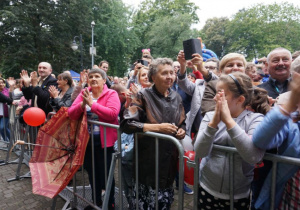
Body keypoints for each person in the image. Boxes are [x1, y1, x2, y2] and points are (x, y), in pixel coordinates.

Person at [194, 72, 268, 209]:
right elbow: (199, 152)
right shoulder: (210, 116)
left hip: (238, 194)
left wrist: (228, 121)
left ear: (240, 100)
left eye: (221, 94)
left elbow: (252, 156)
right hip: (207, 188)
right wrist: (213, 124)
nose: (216, 98)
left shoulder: (256, 119)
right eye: (216, 92)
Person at [122, 58, 186, 209]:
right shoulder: (143, 95)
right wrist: (158, 128)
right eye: (164, 73)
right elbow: (127, 123)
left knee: (164, 202)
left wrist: (182, 129)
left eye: (172, 72)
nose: (169, 76)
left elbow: (182, 121)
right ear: (153, 77)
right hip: (147, 161)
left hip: (169, 159)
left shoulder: (176, 97)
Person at [252, 56, 300, 210]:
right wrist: (288, 107)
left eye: (284, 59)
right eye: (275, 60)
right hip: (290, 197)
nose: (280, 64)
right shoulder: (292, 117)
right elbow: (260, 140)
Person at [68, 68, 120, 209]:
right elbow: (71, 113)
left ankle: (110, 204)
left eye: (97, 76)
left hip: (106, 142)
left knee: (106, 175)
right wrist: (83, 104)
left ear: (104, 80)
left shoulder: (111, 93)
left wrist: (92, 105)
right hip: (87, 141)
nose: (93, 79)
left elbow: (112, 114)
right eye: (91, 76)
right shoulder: (85, 93)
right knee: (92, 173)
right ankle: (96, 202)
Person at [0, 78, 14, 142]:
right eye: (0, 83)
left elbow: (10, 98)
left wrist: (11, 86)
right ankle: (7, 142)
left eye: (2, 82)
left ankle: (12, 142)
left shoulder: (7, 90)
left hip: (5, 113)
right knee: (1, 129)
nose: (1, 84)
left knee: (3, 127)